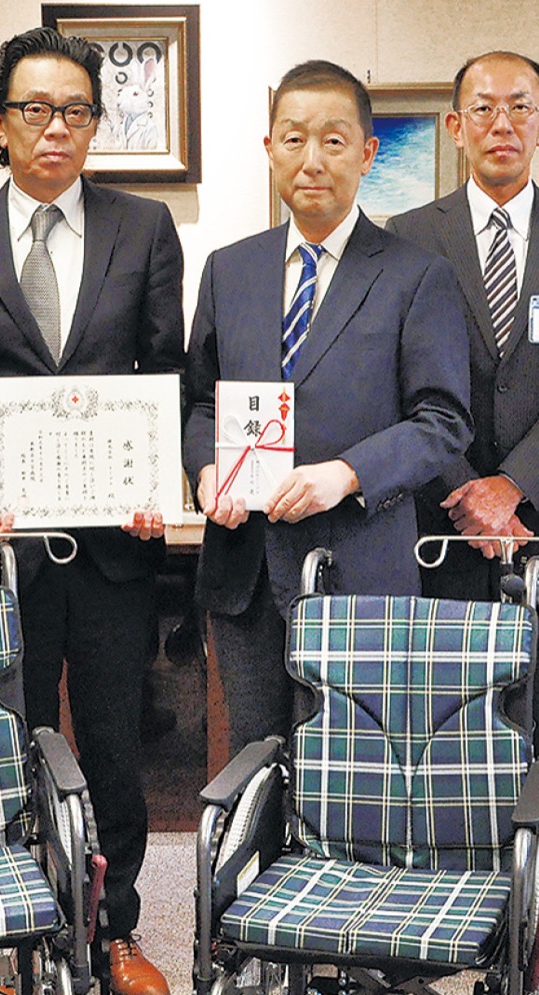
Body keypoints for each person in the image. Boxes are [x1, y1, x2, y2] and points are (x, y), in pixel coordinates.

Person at [0, 26, 184, 995]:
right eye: (34, 109)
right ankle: (16, 931)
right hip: (8, 546)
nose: (55, 128)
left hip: (112, 546)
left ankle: (114, 931)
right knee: (10, 743)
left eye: (75, 111)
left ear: (97, 125)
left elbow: (164, 375)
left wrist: (164, 472)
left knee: (115, 742)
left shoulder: (144, 229)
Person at [183, 60, 473, 753]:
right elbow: (200, 399)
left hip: (360, 562)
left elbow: (443, 419)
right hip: (245, 571)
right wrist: (203, 474)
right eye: (293, 139)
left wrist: (344, 472)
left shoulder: (416, 275)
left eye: (334, 141)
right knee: (254, 762)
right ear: (268, 149)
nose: (311, 160)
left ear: (368, 153)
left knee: (352, 768)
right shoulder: (230, 267)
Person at [387, 51, 539, 787]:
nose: (502, 123)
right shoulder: (406, 235)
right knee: (447, 701)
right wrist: (469, 492)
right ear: (456, 127)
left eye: (519, 107)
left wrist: (511, 486)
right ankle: (457, 875)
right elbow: (401, 381)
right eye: (483, 108)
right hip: (440, 514)